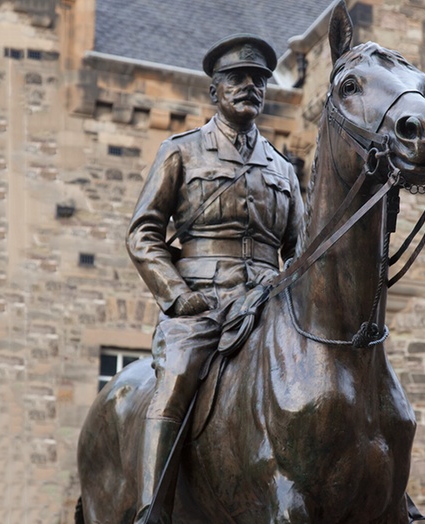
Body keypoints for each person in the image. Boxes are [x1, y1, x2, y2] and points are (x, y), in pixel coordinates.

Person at [125, 34, 305, 523]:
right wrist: (177, 297)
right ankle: (152, 508)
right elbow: (143, 234)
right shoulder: (180, 152)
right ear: (215, 92)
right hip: (202, 303)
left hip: (268, 304)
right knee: (179, 374)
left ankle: (391, 497)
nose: (250, 86)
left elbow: (303, 251)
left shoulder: (283, 171)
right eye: (237, 78)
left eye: (259, 80)